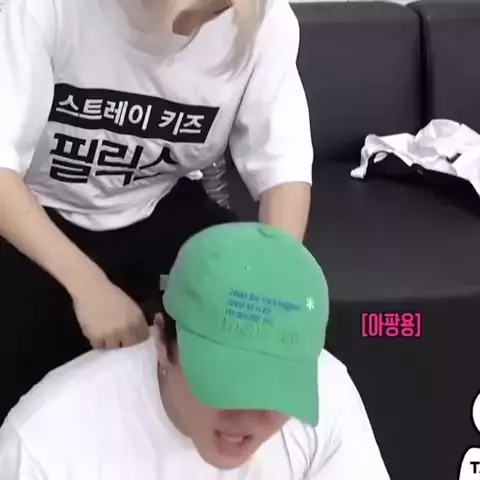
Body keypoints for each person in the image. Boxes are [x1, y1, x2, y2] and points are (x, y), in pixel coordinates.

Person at [0, 0, 313, 421]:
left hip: (156, 204)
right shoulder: (44, 8)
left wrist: (273, 291)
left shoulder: (265, 22)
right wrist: (88, 286)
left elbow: (282, 169)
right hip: (35, 210)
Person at [0, 223, 390, 479]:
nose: (248, 419)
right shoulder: (43, 444)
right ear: (161, 343)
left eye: (276, 388)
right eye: (224, 383)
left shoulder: (329, 392)